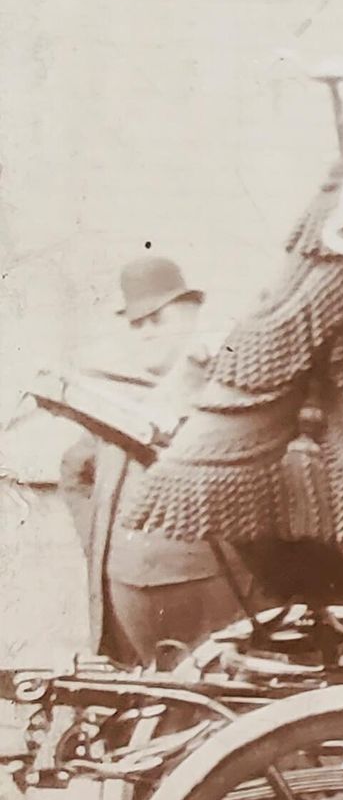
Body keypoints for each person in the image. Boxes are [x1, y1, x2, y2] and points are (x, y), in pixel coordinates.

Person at [58, 255, 242, 665]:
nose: (146, 333)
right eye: (136, 324)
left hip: (213, 591)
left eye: (157, 319)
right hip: (125, 596)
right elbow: (74, 471)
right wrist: (101, 546)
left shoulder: (225, 382)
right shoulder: (118, 399)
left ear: (191, 314)